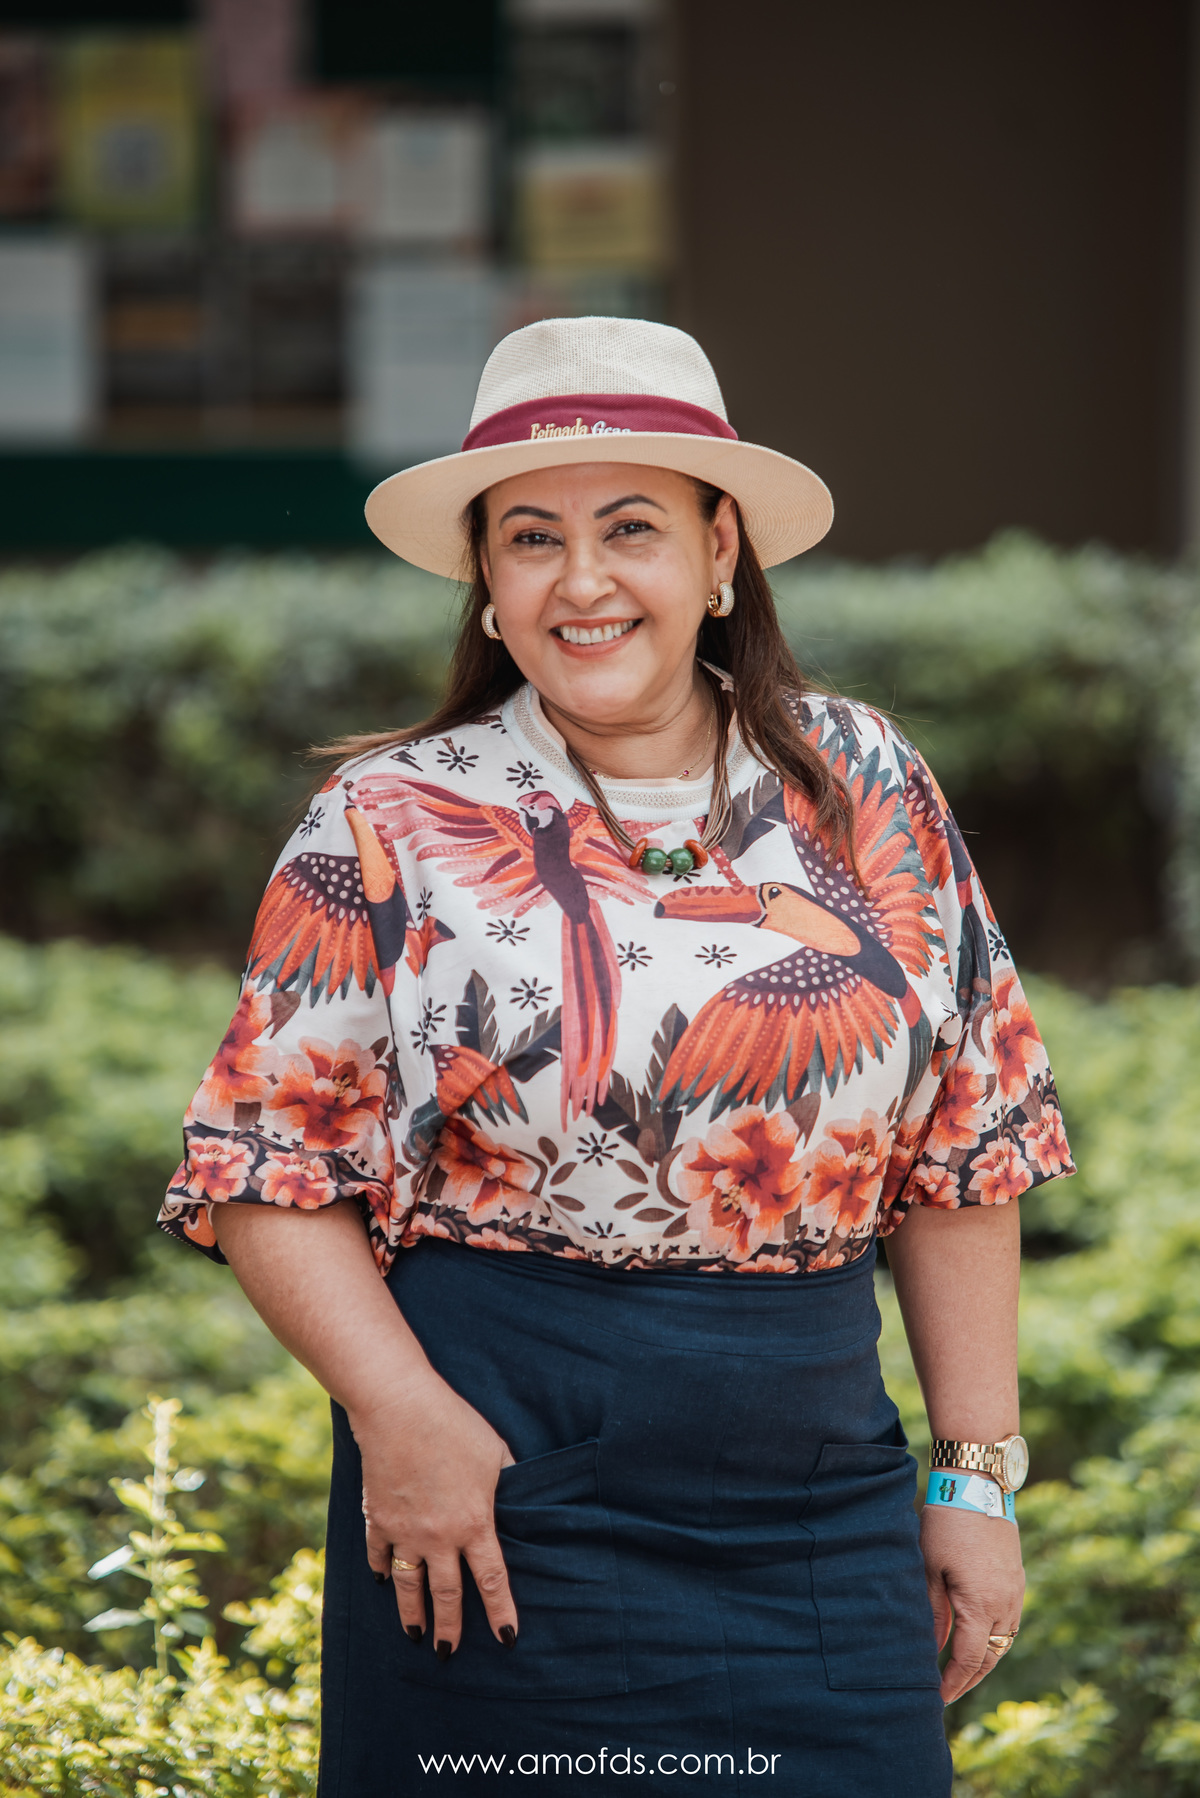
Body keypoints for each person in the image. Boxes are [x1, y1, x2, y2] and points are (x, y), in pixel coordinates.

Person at [160, 316, 1074, 1796]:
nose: (581, 581)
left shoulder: (868, 786)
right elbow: (267, 1168)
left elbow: (968, 1145)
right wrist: (401, 1418)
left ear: (721, 553)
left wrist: (976, 1475)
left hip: (817, 1504)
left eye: (630, 527)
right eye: (533, 537)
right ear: (488, 581)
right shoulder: (391, 818)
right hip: (491, 1494)